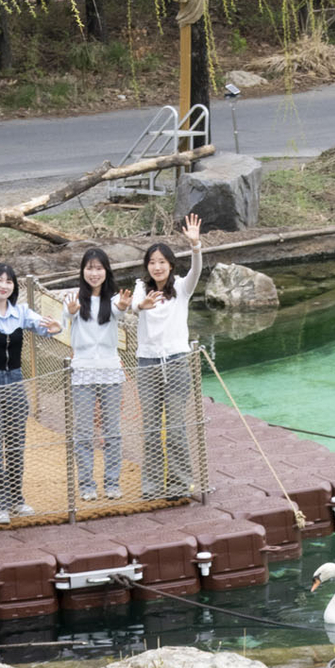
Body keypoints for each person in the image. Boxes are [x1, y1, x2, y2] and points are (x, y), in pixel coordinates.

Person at [0, 260, 62, 524]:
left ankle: (16, 499)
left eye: (8, 281)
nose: (3, 285)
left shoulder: (20, 312)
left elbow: (44, 326)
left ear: (14, 287)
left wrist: (57, 327)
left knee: (15, 443)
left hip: (15, 381)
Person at [123, 213, 202, 501]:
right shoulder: (141, 288)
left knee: (176, 426)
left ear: (171, 265)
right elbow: (134, 306)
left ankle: (180, 483)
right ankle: (153, 484)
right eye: (152, 262)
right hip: (147, 364)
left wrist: (195, 246)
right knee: (151, 427)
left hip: (177, 361)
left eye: (162, 262)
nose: (157, 267)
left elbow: (197, 270)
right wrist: (140, 306)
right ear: (147, 266)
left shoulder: (181, 288)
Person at [64, 244, 124, 503]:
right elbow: (65, 318)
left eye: (99, 268)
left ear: (106, 271)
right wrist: (70, 311)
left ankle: (112, 482)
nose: (94, 273)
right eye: (90, 268)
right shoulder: (74, 298)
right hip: (83, 372)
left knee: (112, 431)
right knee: (84, 432)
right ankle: (87, 484)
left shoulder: (114, 300)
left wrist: (124, 306)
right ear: (83, 271)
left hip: (110, 370)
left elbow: (121, 310)